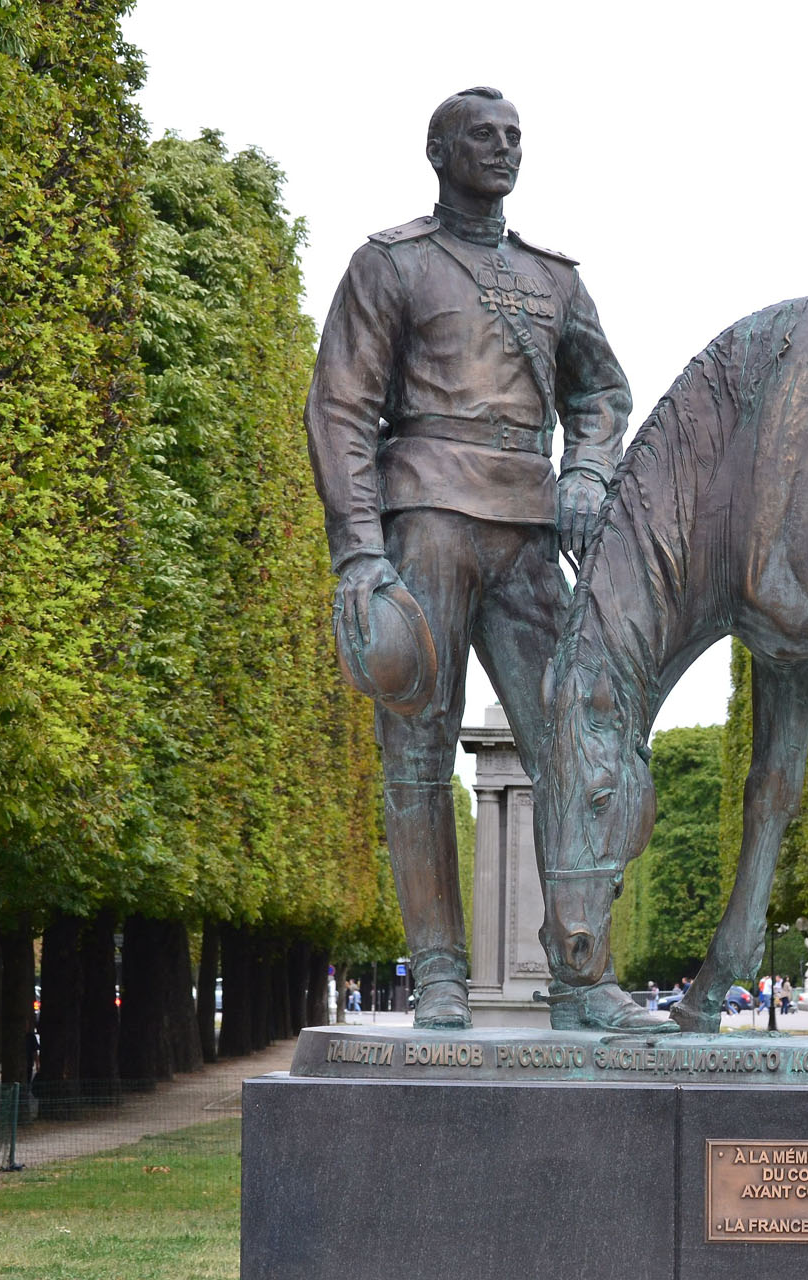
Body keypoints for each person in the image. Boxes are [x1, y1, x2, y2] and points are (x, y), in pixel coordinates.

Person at [306, 86, 655, 1031]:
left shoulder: (556, 280)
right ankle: (441, 972)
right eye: (482, 137)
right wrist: (359, 554)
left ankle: (582, 975)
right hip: (425, 514)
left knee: (575, 745)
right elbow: (341, 410)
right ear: (437, 152)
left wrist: (585, 470)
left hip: (530, 526)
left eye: (514, 137)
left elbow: (602, 393)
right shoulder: (391, 265)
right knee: (418, 757)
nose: (503, 150)